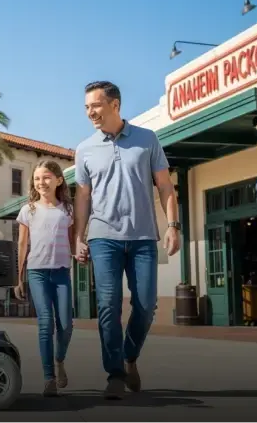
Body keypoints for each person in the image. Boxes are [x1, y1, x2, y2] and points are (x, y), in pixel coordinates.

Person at [73, 81, 180, 400]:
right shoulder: (84, 149)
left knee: (146, 306)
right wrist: (80, 236)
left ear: (115, 105)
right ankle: (115, 374)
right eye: (86, 107)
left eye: (95, 105)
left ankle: (129, 356)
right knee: (107, 306)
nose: (90, 112)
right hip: (103, 238)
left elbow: (164, 185)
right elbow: (82, 198)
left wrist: (173, 224)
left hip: (144, 236)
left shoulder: (147, 139)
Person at [13, 160, 76, 397]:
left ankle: (59, 360)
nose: (41, 182)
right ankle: (49, 377)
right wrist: (18, 278)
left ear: (59, 180)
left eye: (47, 177)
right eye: (37, 178)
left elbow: (72, 241)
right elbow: (22, 244)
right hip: (37, 272)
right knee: (45, 324)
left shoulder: (67, 210)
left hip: (61, 273)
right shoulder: (28, 209)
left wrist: (80, 251)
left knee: (66, 325)